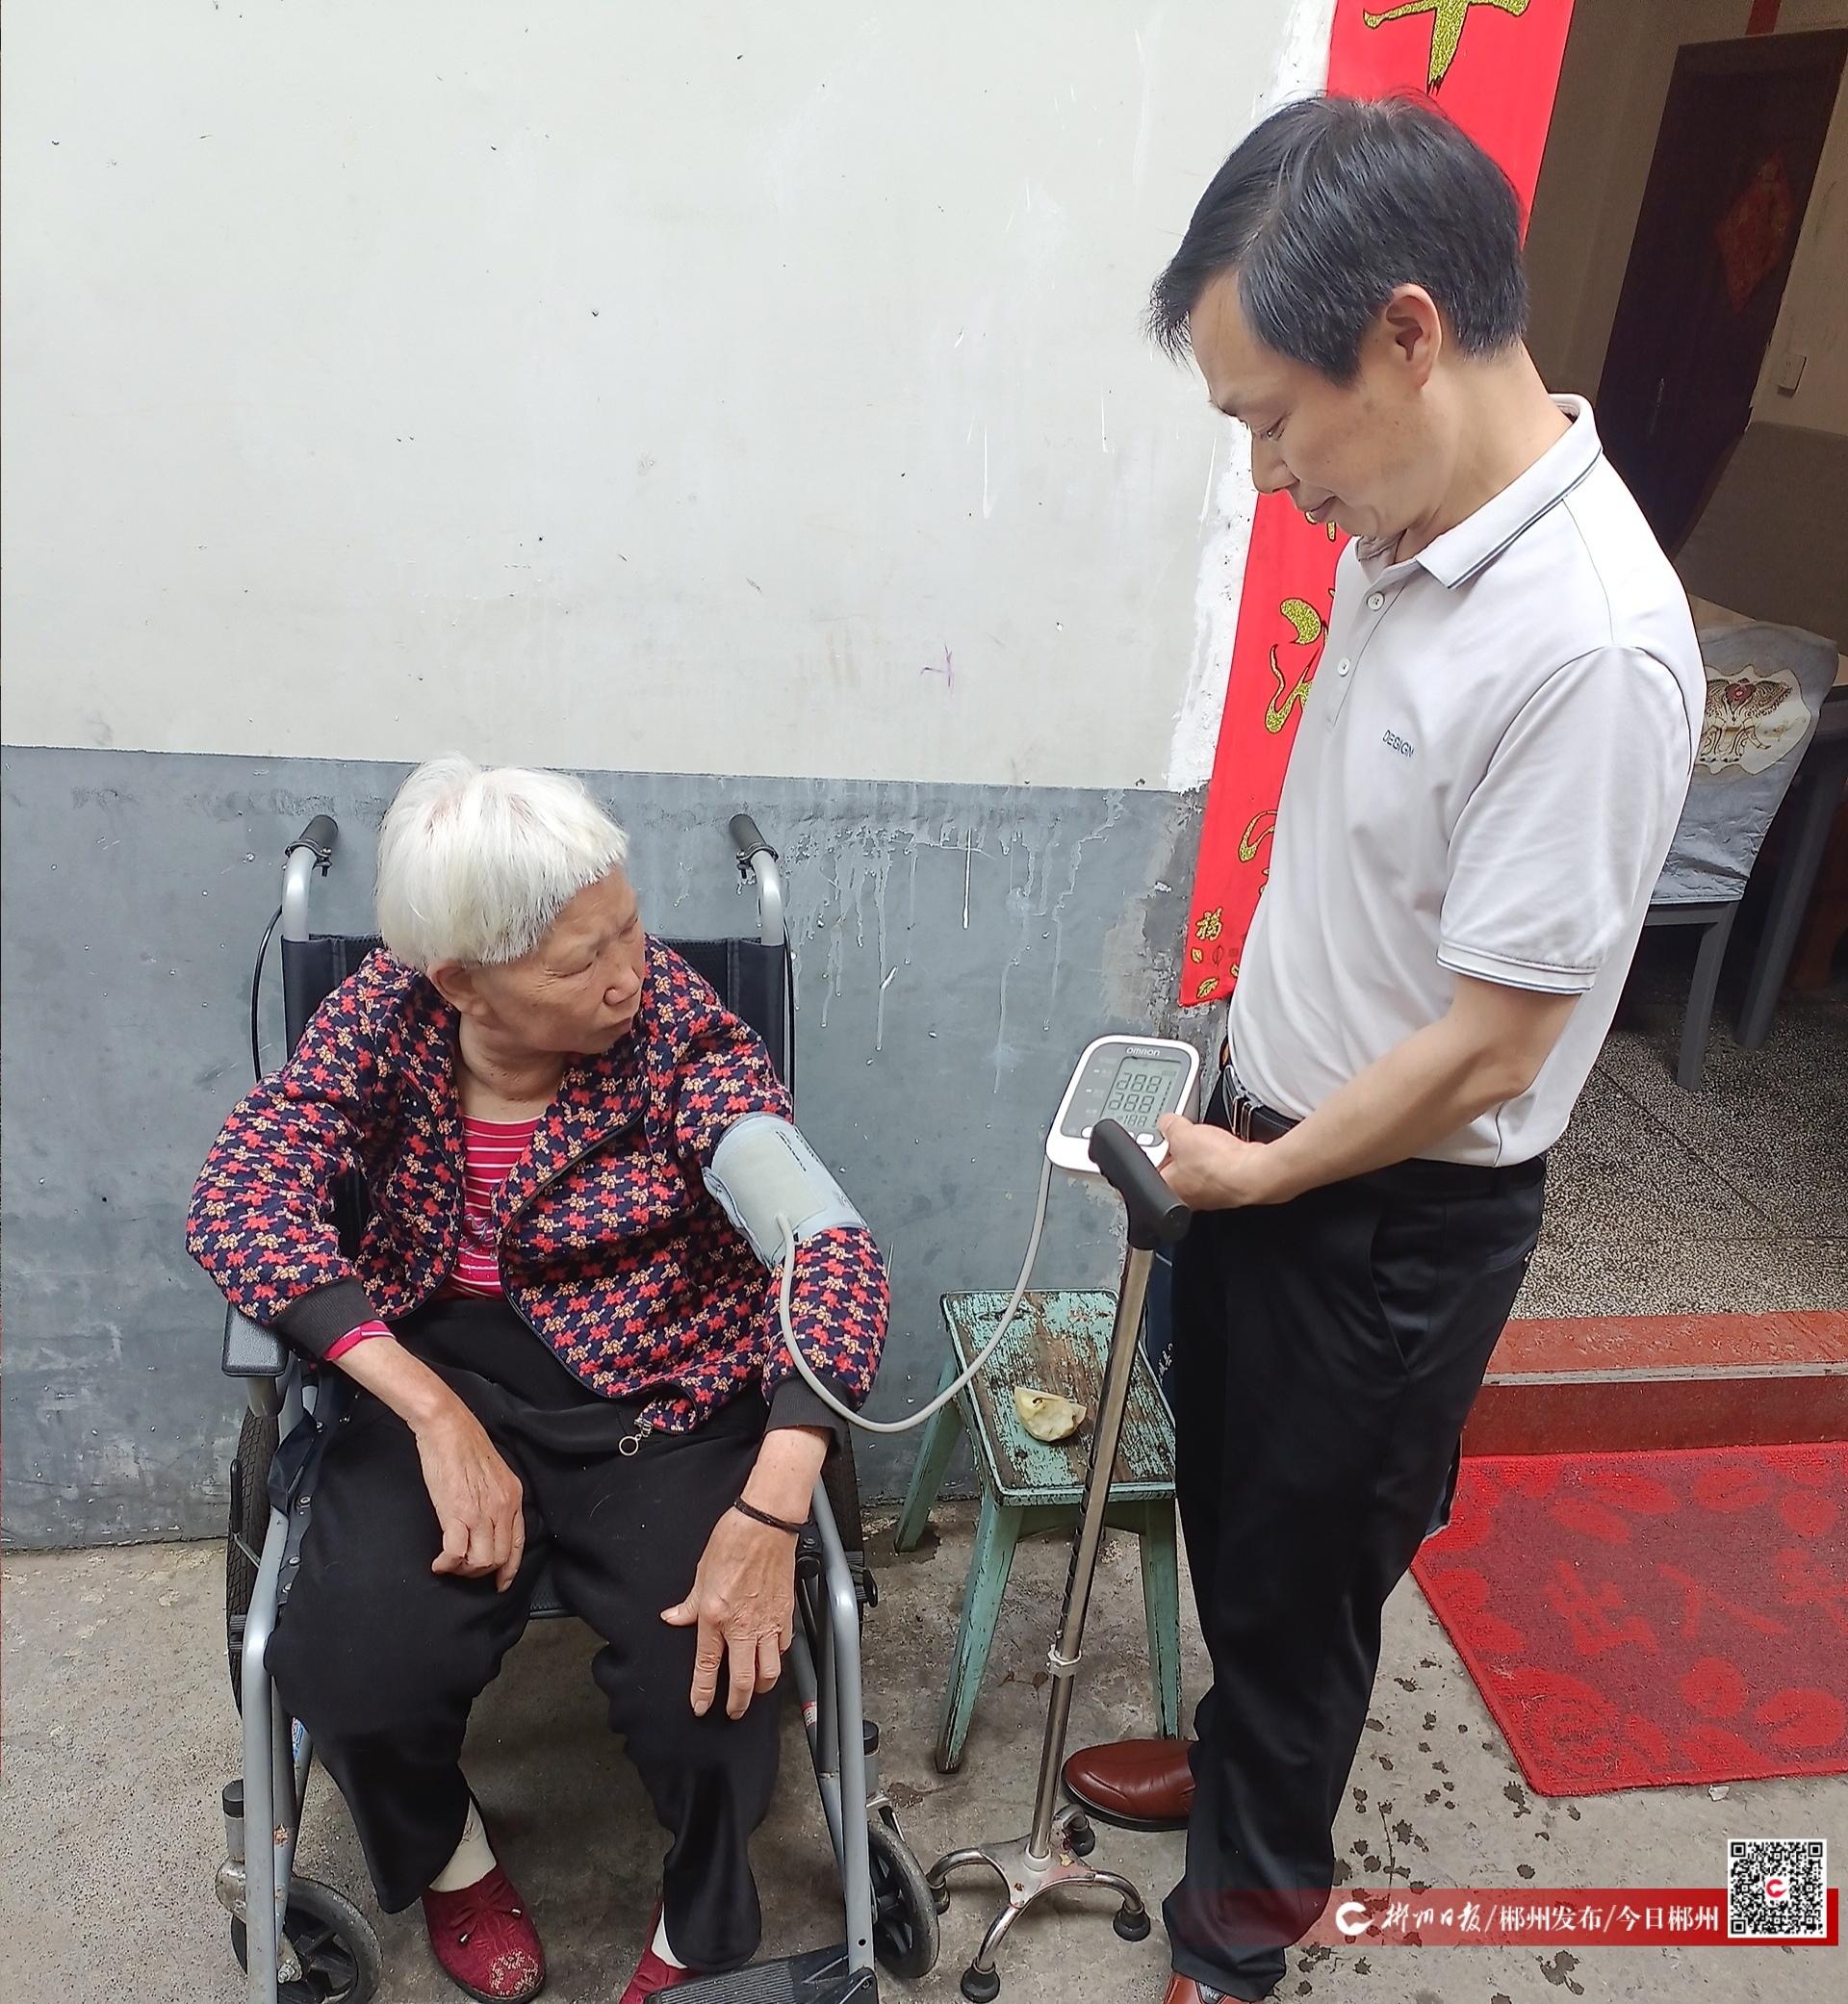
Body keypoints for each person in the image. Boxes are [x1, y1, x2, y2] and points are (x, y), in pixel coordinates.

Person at [1061, 96, 1702, 2003]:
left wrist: (1269, 1171)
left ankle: (1241, 1929)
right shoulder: (1403, 523)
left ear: (1408, 335)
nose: (1269, 477)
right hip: (1271, 1135)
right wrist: (1238, 1098)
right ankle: (1238, 1763)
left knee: (1314, 1572)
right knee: (1244, 1522)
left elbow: (1497, 1045)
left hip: (1385, 1218)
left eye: (1273, 420)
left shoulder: (1591, 648)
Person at [188, 757, 887, 2004]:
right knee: (349, 1665)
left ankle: (699, 1929)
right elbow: (243, 1194)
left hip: (661, 1391)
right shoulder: (382, 1020)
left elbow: (827, 1247)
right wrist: (426, 1405)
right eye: (580, 962)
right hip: (440, 1374)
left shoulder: (680, 1034)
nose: (629, 972)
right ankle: (450, 1858)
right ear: (460, 979)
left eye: (629, 925)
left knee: (714, 1690)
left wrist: (777, 1497)